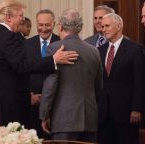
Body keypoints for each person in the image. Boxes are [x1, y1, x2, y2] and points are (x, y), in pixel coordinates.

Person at [0, 0, 78, 131]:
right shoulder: (9, 37)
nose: (23, 20)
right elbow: (22, 65)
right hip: (7, 108)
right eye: (21, 15)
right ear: (8, 17)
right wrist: (53, 60)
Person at [39, 8, 102, 143]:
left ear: (60, 26)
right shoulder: (94, 51)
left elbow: (50, 85)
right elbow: (98, 86)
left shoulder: (55, 48)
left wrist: (44, 115)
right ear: (80, 27)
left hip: (64, 120)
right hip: (90, 119)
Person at [98, 13, 145, 144]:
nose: (104, 29)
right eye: (102, 26)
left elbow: (140, 82)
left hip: (127, 113)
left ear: (119, 26)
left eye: (107, 26)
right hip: (103, 114)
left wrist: (136, 108)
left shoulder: (135, 49)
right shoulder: (100, 50)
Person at [24, 9, 60, 138]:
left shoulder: (61, 43)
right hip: (32, 105)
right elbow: (22, 73)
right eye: (40, 25)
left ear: (54, 24)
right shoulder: (26, 44)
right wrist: (30, 94)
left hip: (56, 106)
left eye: (47, 25)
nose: (43, 29)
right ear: (36, 24)